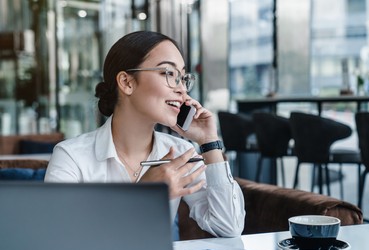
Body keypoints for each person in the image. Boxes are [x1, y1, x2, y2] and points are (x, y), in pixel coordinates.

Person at [44, 31, 245, 238]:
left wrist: (208, 141)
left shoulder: (180, 153)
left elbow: (229, 227)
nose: (182, 90)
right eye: (168, 73)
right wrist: (141, 195)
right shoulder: (71, 156)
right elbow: (60, 239)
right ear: (127, 82)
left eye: (183, 77)